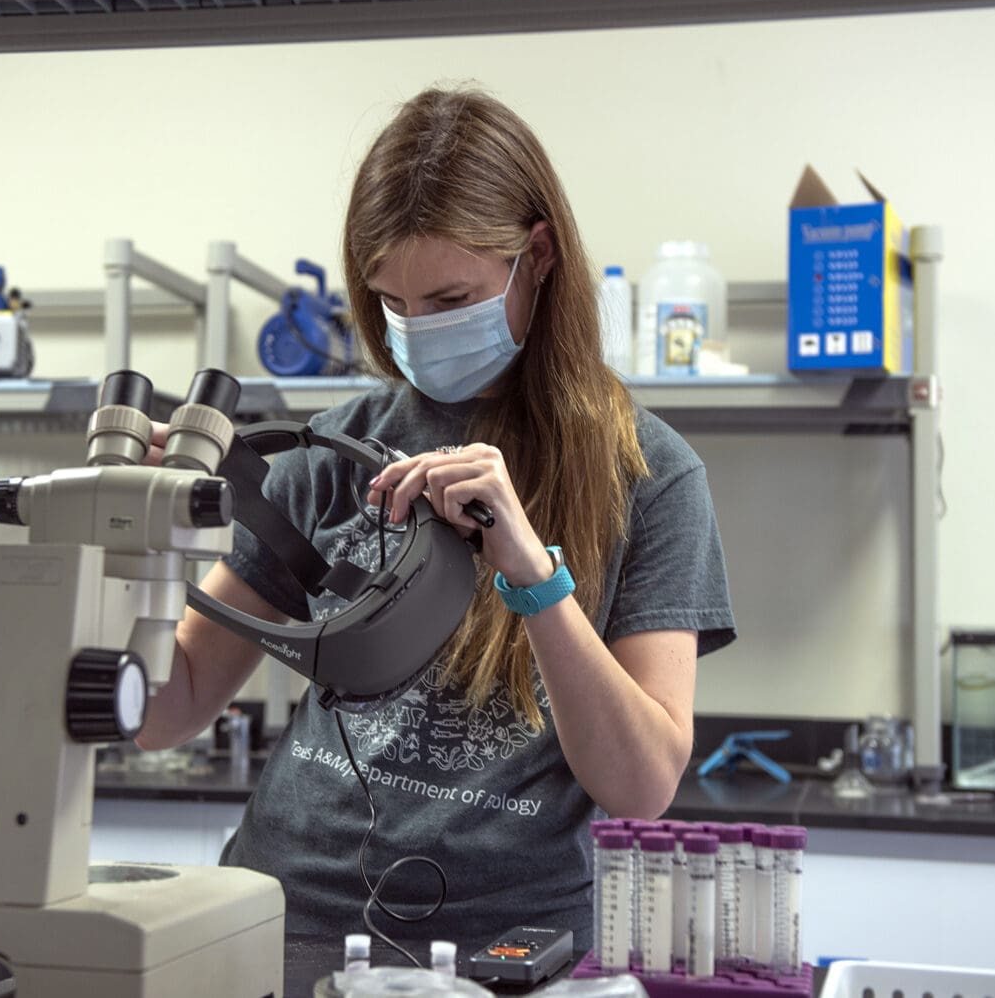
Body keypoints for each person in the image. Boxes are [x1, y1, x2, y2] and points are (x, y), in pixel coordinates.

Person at [137, 86, 735, 945]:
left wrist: (532, 575)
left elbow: (640, 783)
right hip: (279, 917)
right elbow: (169, 711)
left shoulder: (648, 475)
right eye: (393, 302)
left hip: (501, 944)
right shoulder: (334, 451)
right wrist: (137, 541)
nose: (417, 331)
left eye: (451, 300)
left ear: (538, 255)